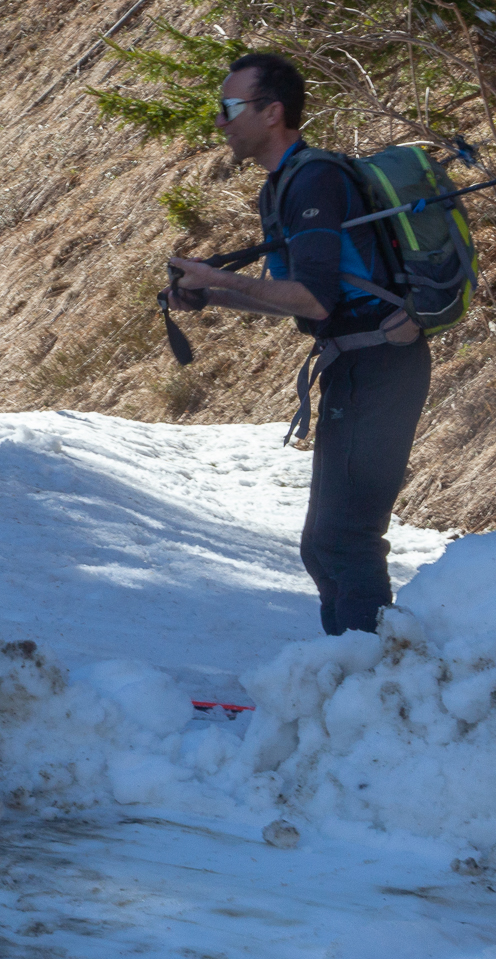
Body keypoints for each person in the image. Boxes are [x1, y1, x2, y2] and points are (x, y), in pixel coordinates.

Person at [165, 52, 430, 635]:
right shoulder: (280, 187)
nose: (220, 122)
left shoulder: (315, 179)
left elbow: (315, 300)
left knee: (344, 539)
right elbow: (290, 296)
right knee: (324, 544)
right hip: (357, 363)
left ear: (272, 111)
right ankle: (353, 670)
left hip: (382, 363)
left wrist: (218, 279)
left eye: (229, 108)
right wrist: (210, 296)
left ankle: (373, 680)